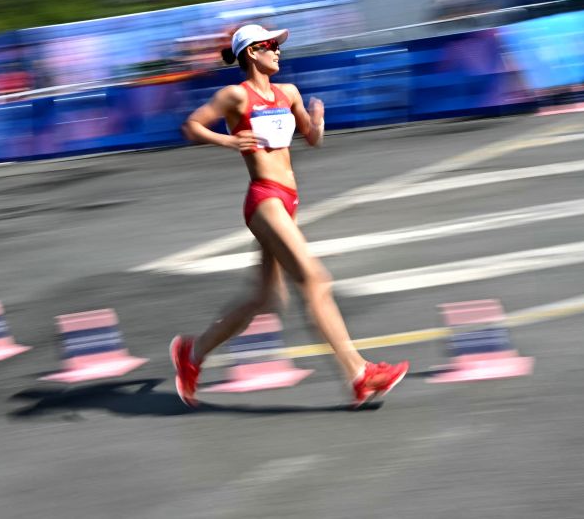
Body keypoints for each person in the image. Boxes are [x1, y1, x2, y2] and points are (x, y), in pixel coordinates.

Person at [169, 23, 408, 409]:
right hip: (265, 201)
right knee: (316, 280)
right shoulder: (235, 96)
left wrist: (318, 122)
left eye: (278, 47)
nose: (278, 52)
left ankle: (191, 354)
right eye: (270, 46)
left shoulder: (289, 93)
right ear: (251, 52)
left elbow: (312, 139)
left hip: (289, 200)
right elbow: (191, 126)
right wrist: (228, 140)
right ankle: (359, 374)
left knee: (264, 299)